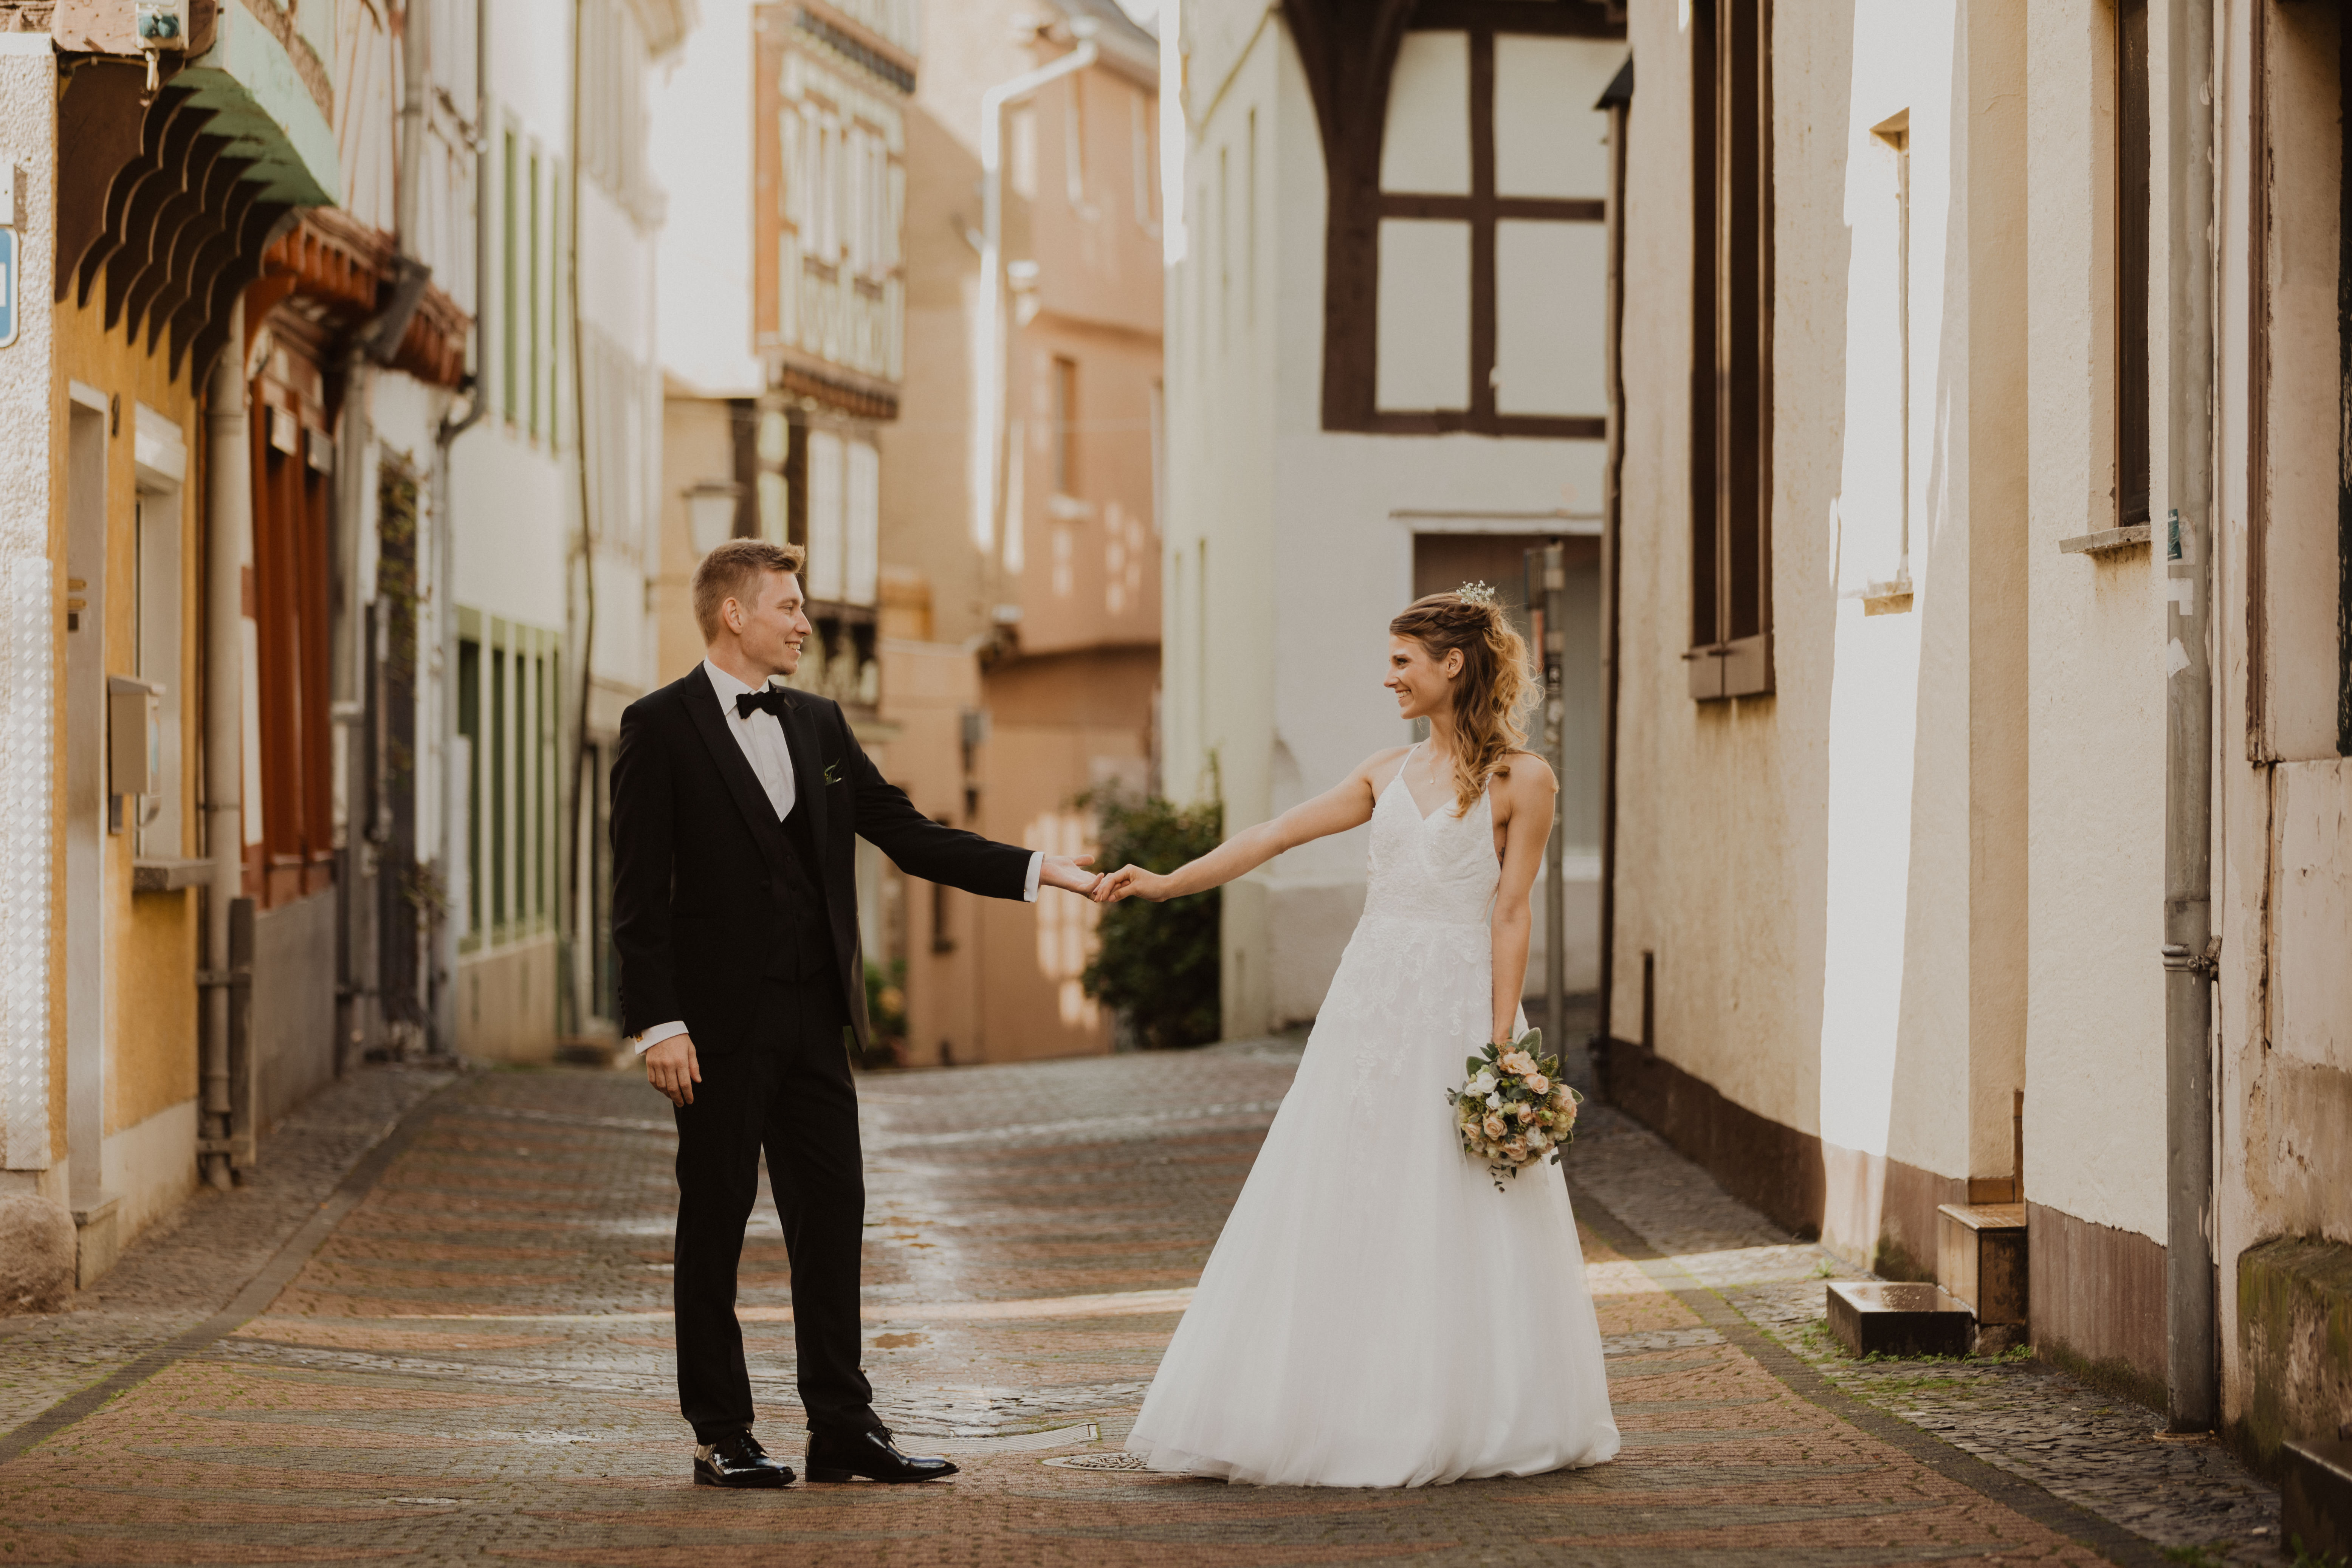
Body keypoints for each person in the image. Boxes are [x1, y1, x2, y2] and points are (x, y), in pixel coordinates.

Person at [1093, 586, 1621, 1487]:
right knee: (1344, 1188)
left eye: (1403, 661)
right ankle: (1334, 1402)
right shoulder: (1383, 772)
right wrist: (1170, 881)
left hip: (1455, 1012)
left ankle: (1460, 1406)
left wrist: (1501, 1047)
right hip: (1368, 1010)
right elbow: (1275, 834)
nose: (1390, 678)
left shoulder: (1522, 780)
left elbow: (1511, 912)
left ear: (1453, 663)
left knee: (1453, 1200)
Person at [610, 539, 1101, 1489]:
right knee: (715, 1220)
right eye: (789, 606)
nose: (805, 623)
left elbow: (910, 834)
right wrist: (657, 1022)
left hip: (817, 1018)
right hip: (713, 1029)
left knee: (833, 1216)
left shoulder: (821, 723)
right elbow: (636, 893)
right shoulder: (658, 725)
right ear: (734, 615)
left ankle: (841, 1424)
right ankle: (721, 1432)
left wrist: (1046, 870)